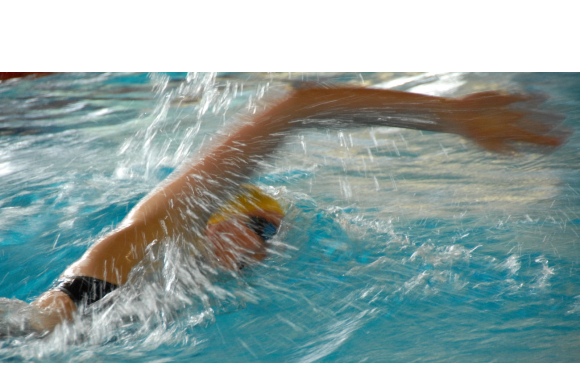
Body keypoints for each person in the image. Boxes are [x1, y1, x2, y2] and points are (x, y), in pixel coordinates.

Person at [18, 84, 570, 332]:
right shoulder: (152, 233)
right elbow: (298, 107)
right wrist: (450, 116)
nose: (253, 243)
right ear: (207, 215)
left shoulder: (203, 292)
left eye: (267, 234)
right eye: (250, 223)